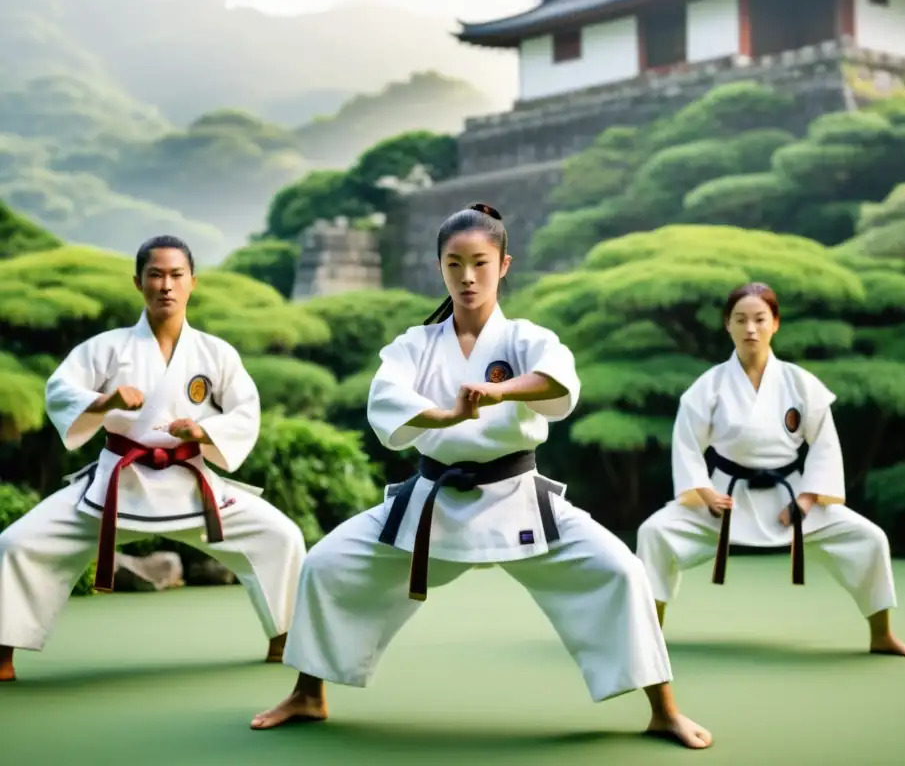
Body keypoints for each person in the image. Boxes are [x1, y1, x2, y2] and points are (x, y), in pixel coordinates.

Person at [249, 204, 713, 749]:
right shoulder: (415, 345)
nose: (468, 277)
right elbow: (387, 399)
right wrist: (444, 416)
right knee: (327, 564)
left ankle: (664, 709)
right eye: (454, 264)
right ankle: (308, 693)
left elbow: (559, 382)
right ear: (439, 268)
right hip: (431, 503)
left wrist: (498, 391)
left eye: (480, 263)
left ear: (503, 264)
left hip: (517, 496)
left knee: (622, 573)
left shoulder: (523, 338)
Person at [0, 235, 307, 682]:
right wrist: (105, 403)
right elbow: (60, 390)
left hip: (191, 483)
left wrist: (204, 431)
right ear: (138, 282)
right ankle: (2, 652)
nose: (166, 285)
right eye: (156, 275)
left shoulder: (215, 353)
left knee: (281, 535)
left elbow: (245, 411)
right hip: (116, 487)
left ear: (192, 282)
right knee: (17, 544)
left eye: (176, 275)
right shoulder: (107, 348)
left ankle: (285, 637)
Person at [636, 282, 905, 659]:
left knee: (869, 538)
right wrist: (706, 494)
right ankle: (648, 636)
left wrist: (806, 500)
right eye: (740, 319)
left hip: (789, 498)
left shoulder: (799, 382)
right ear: (727, 325)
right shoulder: (709, 386)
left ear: (775, 323)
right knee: (654, 532)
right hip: (725, 497)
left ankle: (882, 635)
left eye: (759, 319)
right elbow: (687, 443)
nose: (750, 328)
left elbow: (823, 444)